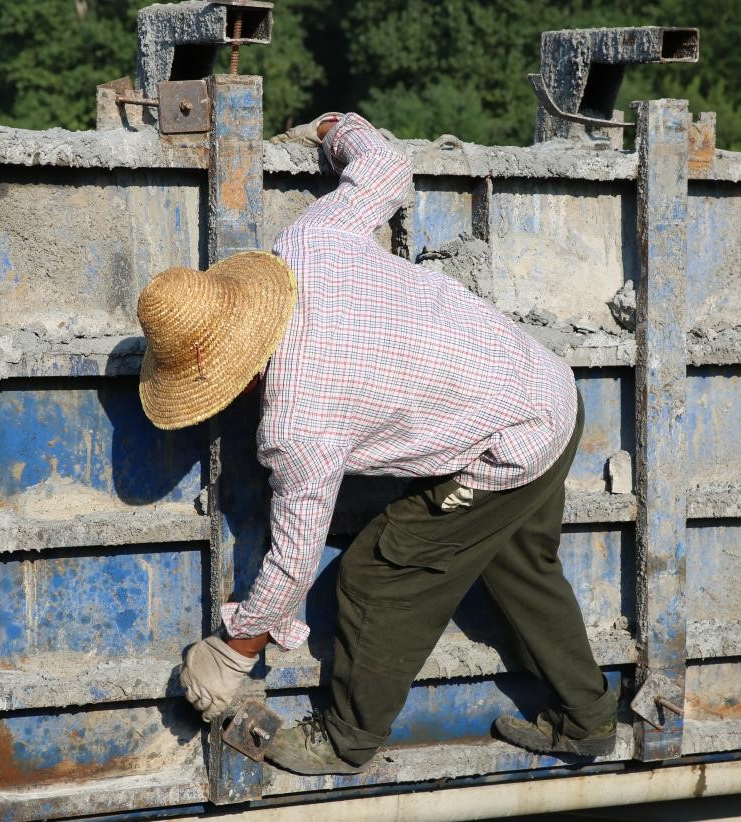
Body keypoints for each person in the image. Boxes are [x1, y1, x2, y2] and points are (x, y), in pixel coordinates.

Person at [136, 112, 617, 776]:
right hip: (546, 387)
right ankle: (588, 720)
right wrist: (335, 128)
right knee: (517, 565)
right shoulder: (308, 243)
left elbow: (293, 558)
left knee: (379, 572)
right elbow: (388, 169)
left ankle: (346, 740)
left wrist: (234, 647)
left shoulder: (298, 423)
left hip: (504, 453)